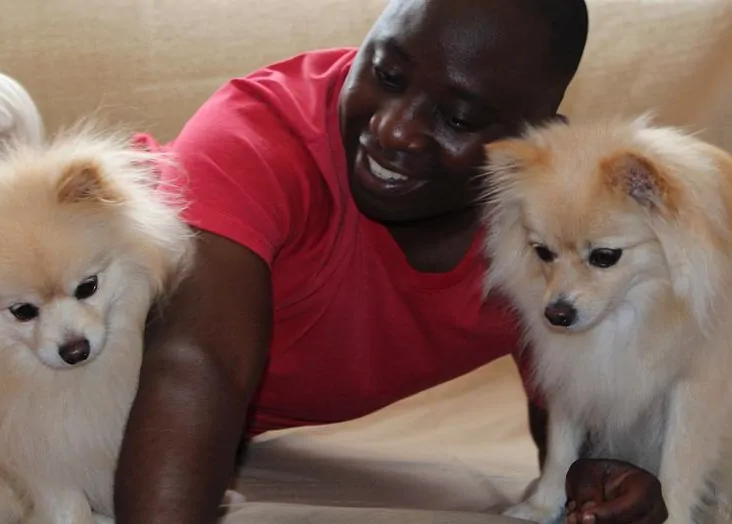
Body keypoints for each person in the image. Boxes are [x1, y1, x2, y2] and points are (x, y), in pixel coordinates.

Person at [116, 0, 669, 523]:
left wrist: (601, 476)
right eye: (386, 74)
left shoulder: (550, 231)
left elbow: (574, 403)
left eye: (456, 117)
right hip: (66, 363)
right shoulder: (261, 134)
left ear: (536, 142)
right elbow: (196, 358)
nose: (393, 129)